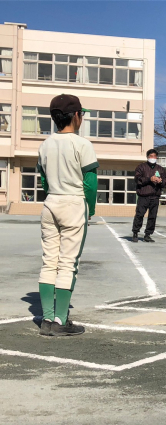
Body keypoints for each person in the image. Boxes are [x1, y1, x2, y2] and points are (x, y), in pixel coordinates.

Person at [36, 94, 98, 336]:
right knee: (68, 263)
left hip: (50, 203)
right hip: (73, 203)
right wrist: (90, 210)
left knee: (49, 260)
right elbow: (90, 184)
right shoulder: (82, 144)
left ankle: (47, 318)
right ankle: (61, 321)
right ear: (75, 116)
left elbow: (43, 180)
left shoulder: (45, 144)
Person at [131, 149, 166, 243]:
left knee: (152, 216)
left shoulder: (160, 169)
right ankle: (135, 233)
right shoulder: (141, 167)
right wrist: (149, 179)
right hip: (143, 195)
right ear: (147, 157)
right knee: (139, 215)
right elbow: (137, 179)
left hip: (155, 196)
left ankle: (148, 234)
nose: (153, 158)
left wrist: (161, 181)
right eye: (151, 156)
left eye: (155, 156)